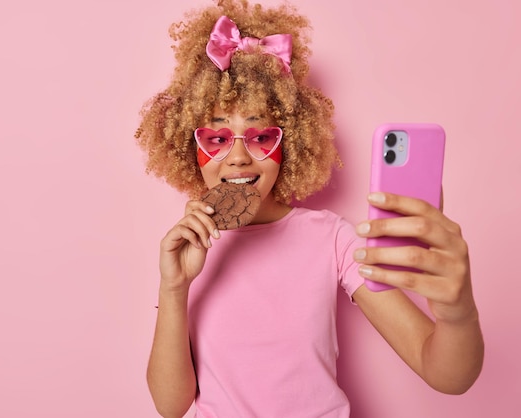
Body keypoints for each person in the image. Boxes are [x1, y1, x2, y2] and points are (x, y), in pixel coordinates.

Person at [134, 1, 484, 417]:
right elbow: (169, 406)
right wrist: (174, 288)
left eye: (261, 136)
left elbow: (445, 372)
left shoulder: (331, 237)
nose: (239, 158)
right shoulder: (189, 247)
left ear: (290, 145)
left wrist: (458, 313)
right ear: (191, 148)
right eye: (217, 138)